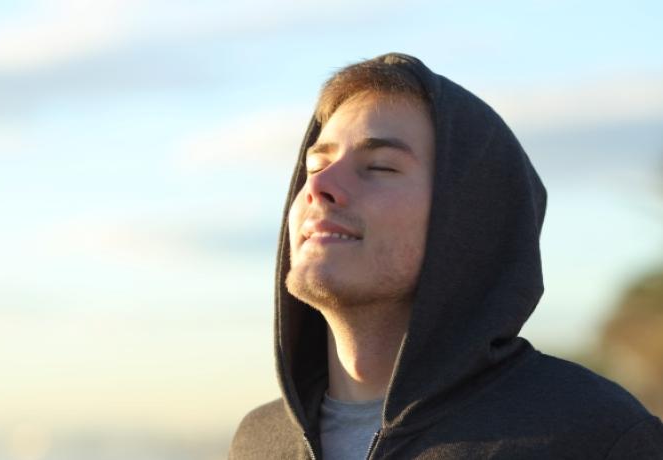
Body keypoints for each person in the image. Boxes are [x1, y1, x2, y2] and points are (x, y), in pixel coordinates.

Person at [227, 53, 663, 459]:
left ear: (470, 220)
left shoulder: (595, 435)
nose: (319, 187)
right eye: (316, 166)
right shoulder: (258, 442)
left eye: (379, 166)